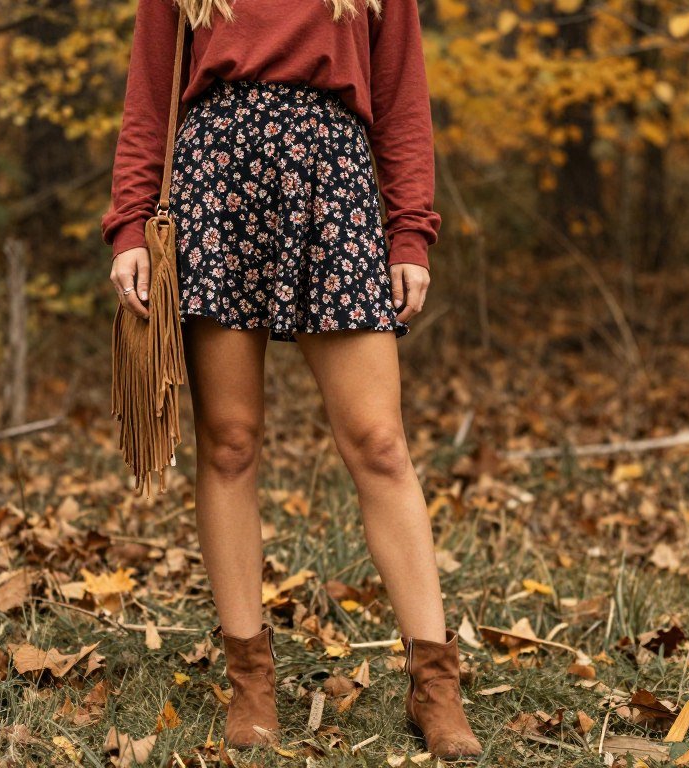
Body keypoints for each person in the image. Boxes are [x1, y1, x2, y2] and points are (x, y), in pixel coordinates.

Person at [101, 0, 481, 759]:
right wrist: (129, 223)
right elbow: (148, 95)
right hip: (215, 185)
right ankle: (251, 679)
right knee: (231, 442)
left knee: (378, 441)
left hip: (332, 180)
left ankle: (434, 682)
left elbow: (403, 96)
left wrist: (410, 230)